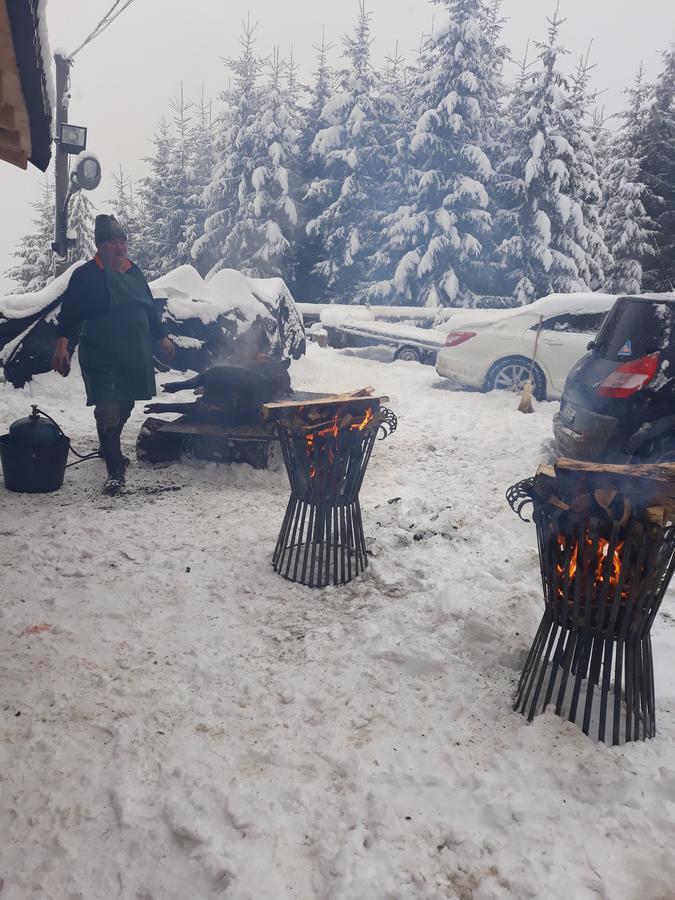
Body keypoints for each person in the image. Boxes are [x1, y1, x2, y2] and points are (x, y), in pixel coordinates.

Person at [52, 215, 174, 495]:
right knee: (109, 409)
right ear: (100, 247)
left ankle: (108, 447)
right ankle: (115, 472)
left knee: (126, 405)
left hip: (134, 355)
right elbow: (70, 313)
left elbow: (149, 308)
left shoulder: (134, 272)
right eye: (113, 243)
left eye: (123, 242)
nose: (120, 248)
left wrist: (162, 336)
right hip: (102, 355)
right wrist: (63, 345)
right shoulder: (86, 275)